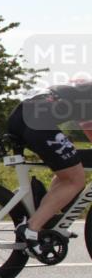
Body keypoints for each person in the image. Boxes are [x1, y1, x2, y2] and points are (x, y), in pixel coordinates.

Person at [8, 80, 92, 256]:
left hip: (20, 116)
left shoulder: (84, 88)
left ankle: (45, 220)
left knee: (68, 171)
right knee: (75, 180)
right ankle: (31, 229)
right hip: (38, 121)